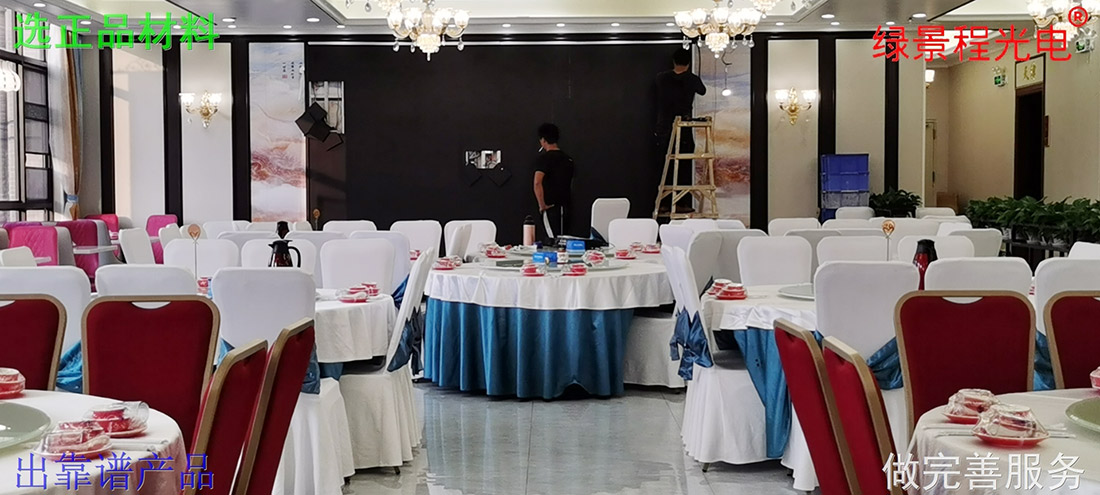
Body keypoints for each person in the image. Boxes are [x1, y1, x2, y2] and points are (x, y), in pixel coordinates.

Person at [655, 48, 706, 213]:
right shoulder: (692, 79)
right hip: (683, 125)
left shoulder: (661, 78)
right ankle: (682, 203)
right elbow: (702, 90)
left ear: (673, 61)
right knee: (684, 164)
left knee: (666, 164)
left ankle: (664, 203)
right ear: (688, 63)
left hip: (664, 126)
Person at [533, 123, 575, 240]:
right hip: (566, 207)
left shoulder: (544, 159)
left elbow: (537, 182)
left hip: (550, 207)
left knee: (553, 240)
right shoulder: (568, 159)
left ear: (543, 140)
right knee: (565, 239)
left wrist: (542, 205)